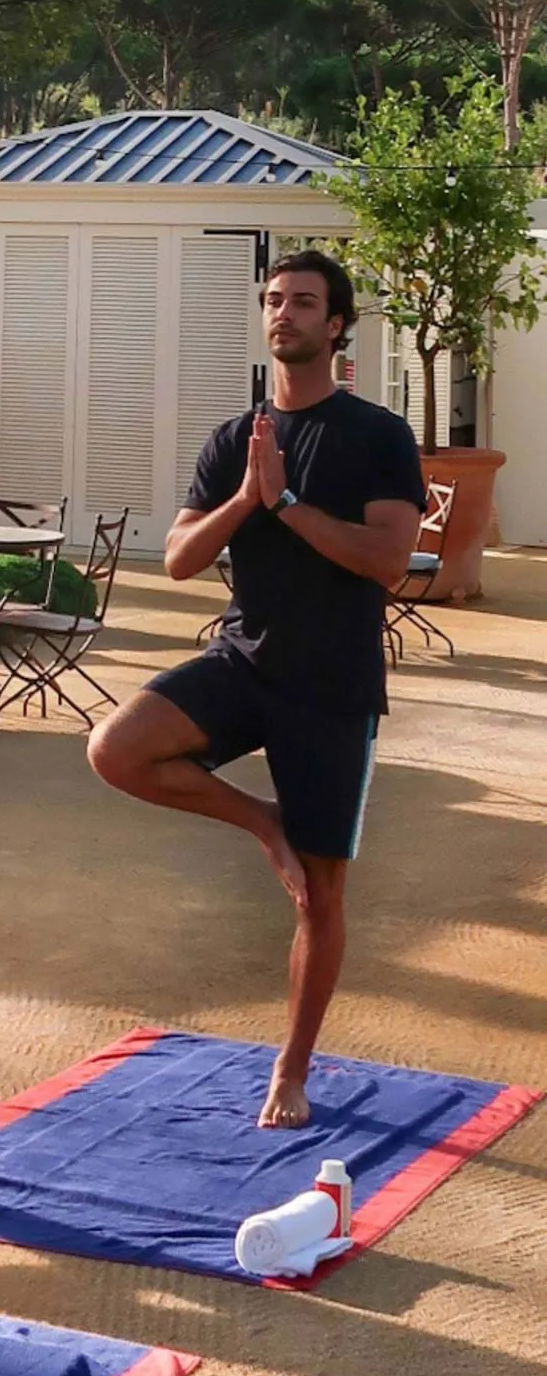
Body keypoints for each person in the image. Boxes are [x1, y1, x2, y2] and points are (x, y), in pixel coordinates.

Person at [86, 248, 425, 1129]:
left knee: (321, 895)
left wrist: (287, 509)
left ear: (337, 324)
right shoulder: (237, 439)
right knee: (114, 749)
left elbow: (388, 563)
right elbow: (177, 558)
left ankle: (292, 1067)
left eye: (304, 302)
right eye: (274, 300)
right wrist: (246, 498)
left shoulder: (377, 435)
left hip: (333, 686)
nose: (285, 314)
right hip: (243, 661)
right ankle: (263, 821)